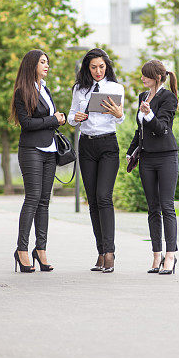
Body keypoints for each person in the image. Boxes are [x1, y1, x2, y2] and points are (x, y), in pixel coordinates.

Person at [67, 48, 125, 273]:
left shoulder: (116, 88)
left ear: (107, 66)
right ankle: (100, 252)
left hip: (108, 145)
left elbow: (121, 118)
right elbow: (72, 116)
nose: (98, 71)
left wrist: (119, 114)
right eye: (93, 67)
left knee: (104, 197)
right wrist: (75, 118)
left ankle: (110, 252)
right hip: (87, 145)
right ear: (87, 68)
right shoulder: (79, 89)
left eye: (101, 66)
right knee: (92, 200)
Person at [9, 49, 66, 273]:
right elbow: (27, 124)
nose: (47, 65)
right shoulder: (22, 91)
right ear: (32, 64)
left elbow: (44, 120)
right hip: (31, 149)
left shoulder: (45, 89)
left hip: (50, 150)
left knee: (44, 201)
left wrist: (57, 119)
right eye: (43, 62)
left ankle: (40, 250)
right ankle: (22, 250)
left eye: (47, 62)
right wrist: (53, 119)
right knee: (32, 198)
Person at [126, 60, 179, 275]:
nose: (142, 78)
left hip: (166, 157)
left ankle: (170, 256)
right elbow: (139, 131)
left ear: (157, 77)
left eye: (146, 75)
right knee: (152, 208)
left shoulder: (169, 98)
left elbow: (162, 129)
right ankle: (156, 255)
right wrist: (131, 151)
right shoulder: (142, 97)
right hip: (146, 158)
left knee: (167, 207)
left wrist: (149, 114)